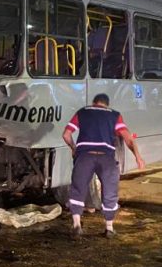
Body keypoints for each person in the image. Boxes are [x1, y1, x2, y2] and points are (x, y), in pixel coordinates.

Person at [62, 93, 145, 238]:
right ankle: (109, 228)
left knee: (78, 189)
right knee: (110, 191)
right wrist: (138, 157)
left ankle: (76, 225)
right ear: (107, 104)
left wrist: (74, 149)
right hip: (106, 158)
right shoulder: (115, 115)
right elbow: (128, 139)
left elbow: (66, 134)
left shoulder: (82, 112)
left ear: (94, 102)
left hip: (85, 157)